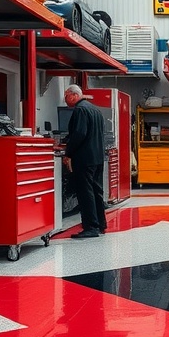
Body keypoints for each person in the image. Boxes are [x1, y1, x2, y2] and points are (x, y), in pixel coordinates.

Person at [62, 84, 107, 238]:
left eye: (66, 95)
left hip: (85, 159)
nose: (65, 99)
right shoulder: (95, 110)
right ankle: (100, 224)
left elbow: (79, 134)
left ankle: (90, 227)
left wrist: (68, 153)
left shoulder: (80, 110)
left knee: (85, 192)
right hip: (98, 158)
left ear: (74, 95)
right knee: (96, 191)